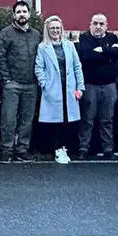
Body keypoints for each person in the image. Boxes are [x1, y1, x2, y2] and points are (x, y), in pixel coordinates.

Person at [0, 1, 43, 162]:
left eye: (24, 11)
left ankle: (22, 149)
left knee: (27, 120)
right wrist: (6, 79)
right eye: (18, 12)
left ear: (29, 14)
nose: (22, 14)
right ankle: (6, 150)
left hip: (31, 84)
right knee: (8, 119)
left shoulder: (37, 34)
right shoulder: (6, 33)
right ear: (14, 15)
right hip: (12, 84)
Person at [35, 15, 85, 164]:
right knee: (55, 122)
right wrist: (44, 84)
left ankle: (65, 148)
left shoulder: (69, 45)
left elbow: (77, 66)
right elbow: (39, 68)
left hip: (69, 89)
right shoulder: (42, 47)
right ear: (47, 30)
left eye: (58, 28)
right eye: (52, 28)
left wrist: (80, 87)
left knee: (68, 121)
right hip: (53, 89)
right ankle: (57, 149)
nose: (55, 30)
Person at [76, 13, 118, 160]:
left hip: (109, 86)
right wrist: (108, 54)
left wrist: (101, 50)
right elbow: (86, 56)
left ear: (106, 26)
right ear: (90, 24)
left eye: (101, 24)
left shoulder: (113, 38)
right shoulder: (84, 38)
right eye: (95, 23)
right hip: (90, 86)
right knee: (87, 120)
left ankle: (108, 149)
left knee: (107, 120)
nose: (98, 27)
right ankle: (83, 148)